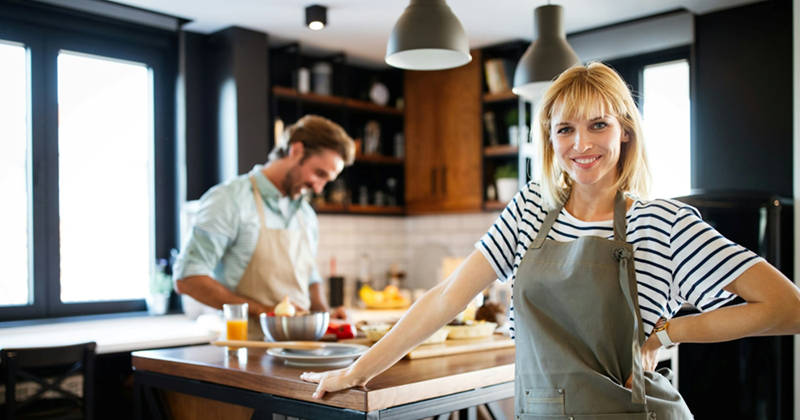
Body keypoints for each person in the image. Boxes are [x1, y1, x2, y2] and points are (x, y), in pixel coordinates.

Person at [300, 63, 800, 417]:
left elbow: (787, 307)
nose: (581, 144)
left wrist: (670, 334)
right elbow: (449, 297)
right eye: (565, 130)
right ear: (550, 140)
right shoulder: (528, 212)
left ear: (624, 131)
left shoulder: (664, 223)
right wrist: (356, 371)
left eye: (598, 125)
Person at [173, 115, 355, 339]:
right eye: (319, 174)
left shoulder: (305, 214)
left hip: (305, 351)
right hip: (249, 349)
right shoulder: (229, 200)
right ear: (296, 150)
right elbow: (187, 278)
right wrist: (266, 313)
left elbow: (309, 275)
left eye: (327, 180)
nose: (318, 189)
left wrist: (324, 314)